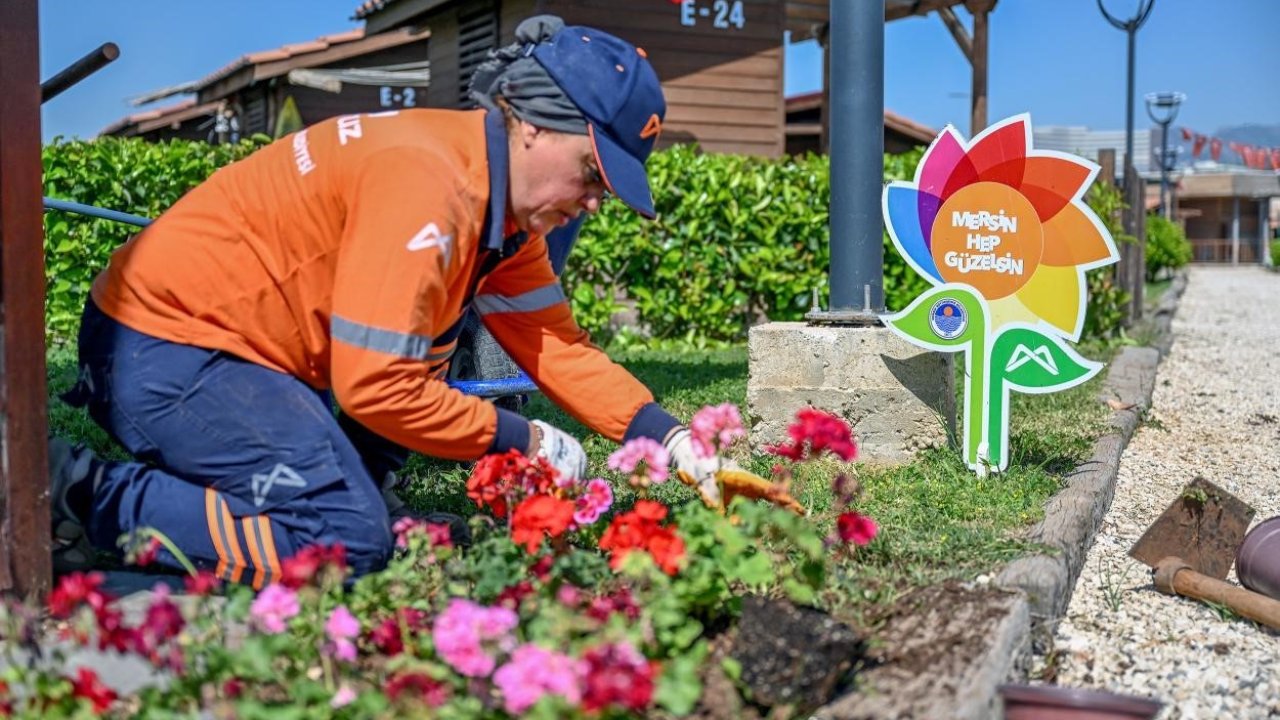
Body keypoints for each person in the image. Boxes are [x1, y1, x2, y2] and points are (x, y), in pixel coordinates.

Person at [49, 16, 732, 586]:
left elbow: (557, 347)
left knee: (404, 386)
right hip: (157, 350)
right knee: (345, 542)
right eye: (592, 174)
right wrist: (524, 438)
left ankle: (344, 494)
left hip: (235, 353)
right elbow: (376, 387)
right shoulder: (431, 184)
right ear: (532, 126)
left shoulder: (498, 211)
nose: (593, 203)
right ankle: (75, 489)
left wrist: (671, 439)